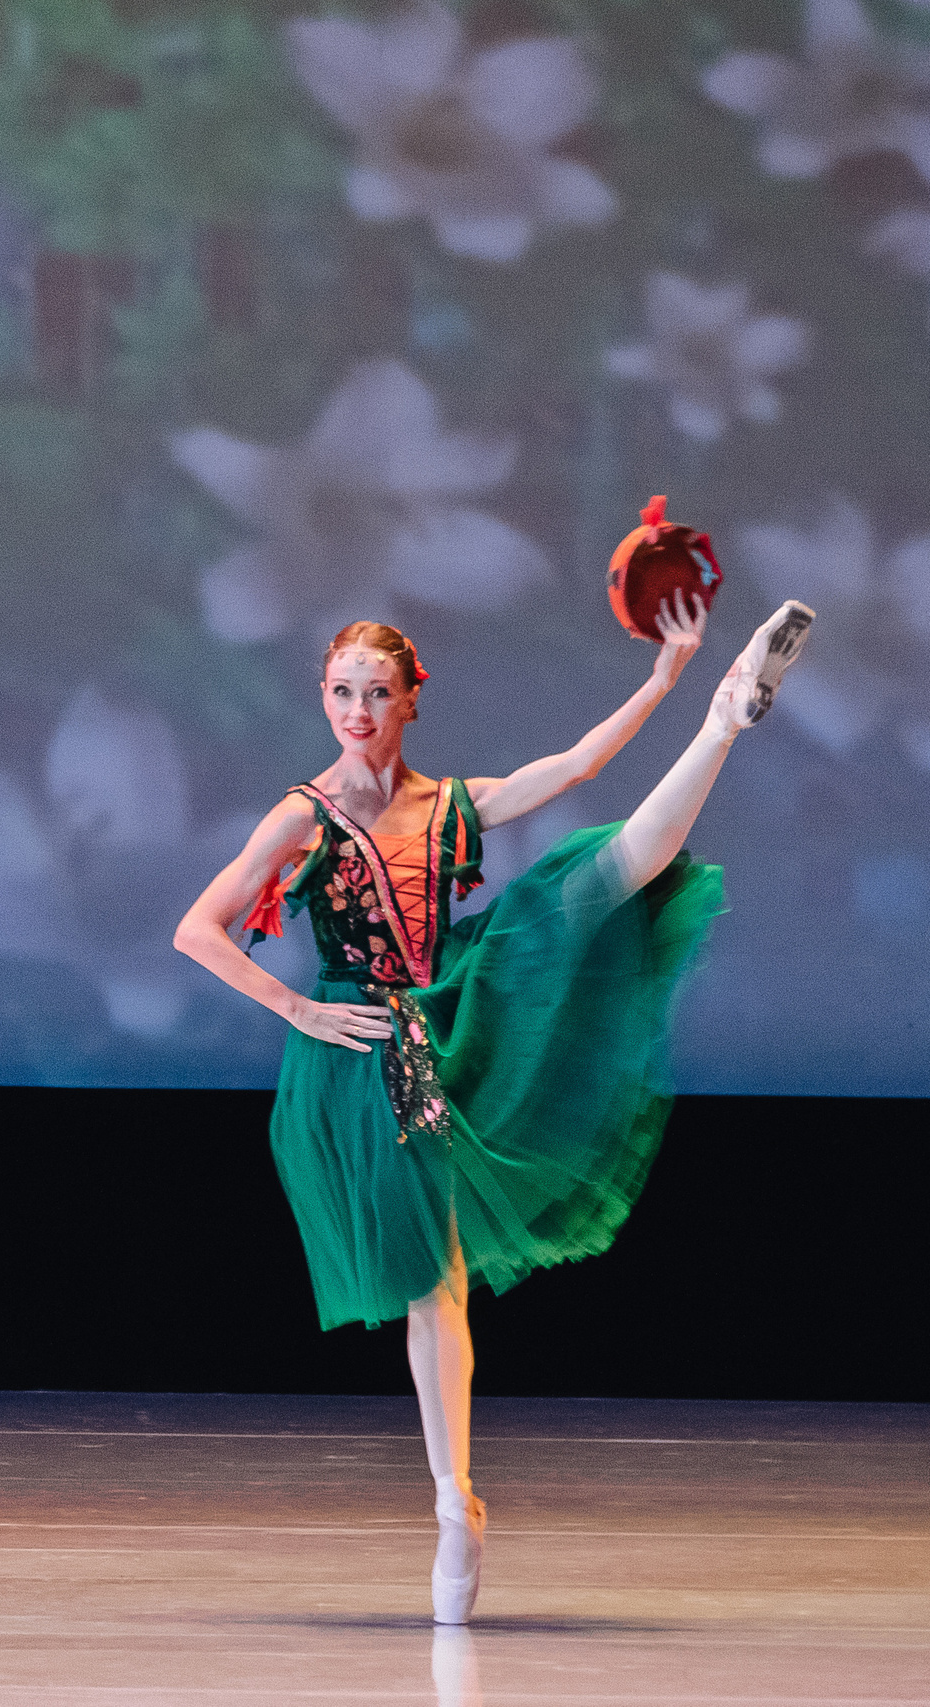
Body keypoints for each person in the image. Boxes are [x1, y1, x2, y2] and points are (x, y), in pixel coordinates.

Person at [172, 593, 812, 1624]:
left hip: (448, 1010)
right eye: (341, 691)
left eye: (377, 692)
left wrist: (665, 678)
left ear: (410, 700)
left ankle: (723, 717)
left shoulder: (449, 802)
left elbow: (576, 767)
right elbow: (197, 929)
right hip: (363, 1052)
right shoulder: (303, 814)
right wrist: (298, 1009)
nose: (357, 711)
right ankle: (452, 1502)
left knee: (597, 878)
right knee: (436, 1280)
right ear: (323, 697)